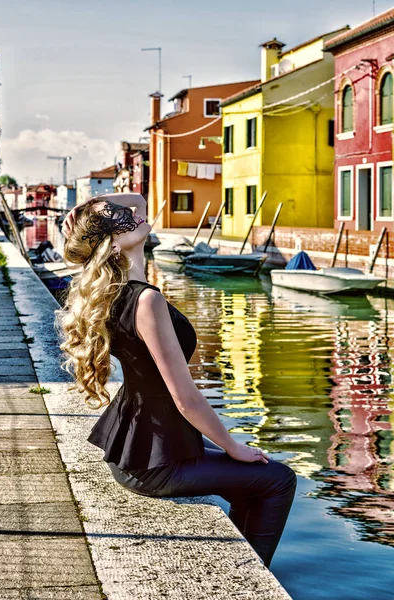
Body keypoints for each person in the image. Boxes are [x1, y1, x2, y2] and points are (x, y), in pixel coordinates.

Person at [57, 193, 296, 569]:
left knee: (253, 486)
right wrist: (233, 446)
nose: (130, 213)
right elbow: (185, 398)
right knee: (279, 479)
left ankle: (238, 567)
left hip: (140, 449)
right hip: (154, 464)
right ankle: (250, 574)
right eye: (117, 217)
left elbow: (136, 200)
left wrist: (96, 202)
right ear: (113, 243)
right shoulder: (145, 301)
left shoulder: (119, 293)